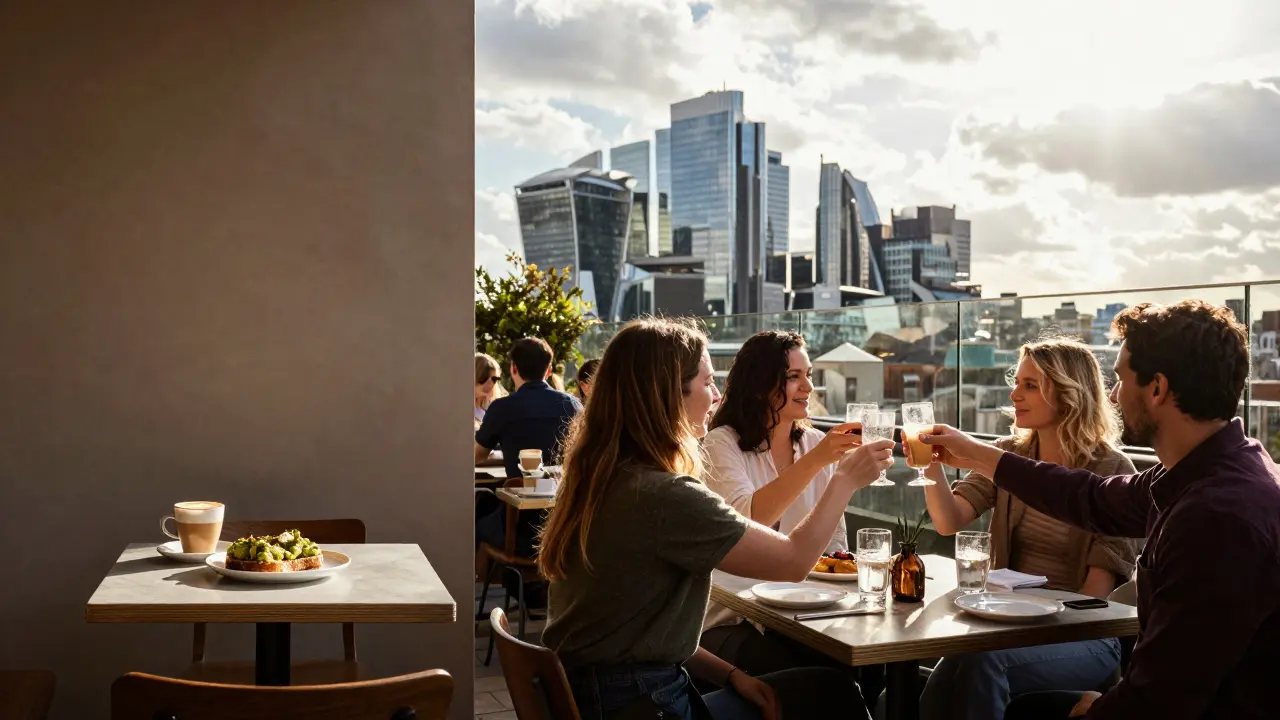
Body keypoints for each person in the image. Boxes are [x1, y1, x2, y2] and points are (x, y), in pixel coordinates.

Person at [922, 300, 1280, 720]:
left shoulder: (1218, 520)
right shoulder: (1207, 475)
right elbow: (1091, 498)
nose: (1112, 394)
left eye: (1120, 378)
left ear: (1158, 388)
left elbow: (1167, 696)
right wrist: (979, 455)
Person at [539, 317, 896, 720]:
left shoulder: (602, 478)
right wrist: (844, 479)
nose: (716, 395)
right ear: (669, 394)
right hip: (646, 704)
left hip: (609, 693)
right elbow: (794, 561)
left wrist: (730, 676)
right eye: (708, 382)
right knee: (833, 693)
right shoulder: (664, 495)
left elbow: (646, 630)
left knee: (825, 681)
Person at [918, 337, 1138, 720]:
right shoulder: (1010, 454)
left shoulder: (1112, 472)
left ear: (1070, 394)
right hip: (1007, 622)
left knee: (980, 661)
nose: (1014, 393)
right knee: (945, 671)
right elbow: (948, 519)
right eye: (1017, 382)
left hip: (1083, 634)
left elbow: (1092, 600)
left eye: (1030, 385)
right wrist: (930, 463)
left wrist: (1018, 619)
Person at [699, 331, 883, 708]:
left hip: (807, 610)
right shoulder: (722, 443)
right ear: (759, 384)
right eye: (793, 376)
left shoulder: (815, 442)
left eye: (810, 374)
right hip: (735, 618)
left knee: (868, 662)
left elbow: (834, 545)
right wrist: (818, 463)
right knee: (827, 675)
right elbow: (749, 521)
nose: (807, 386)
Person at [475, 337, 581, 479]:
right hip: (563, 495)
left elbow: (477, 455)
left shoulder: (501, 408)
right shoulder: (573, 405)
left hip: (519, 497)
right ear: (549, 370)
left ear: (513, 368)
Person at [474, 353, 505, 430]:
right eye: (484, 378)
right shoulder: (459, 409)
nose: (489, 383)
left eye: (494, 380)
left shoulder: (493, 410)